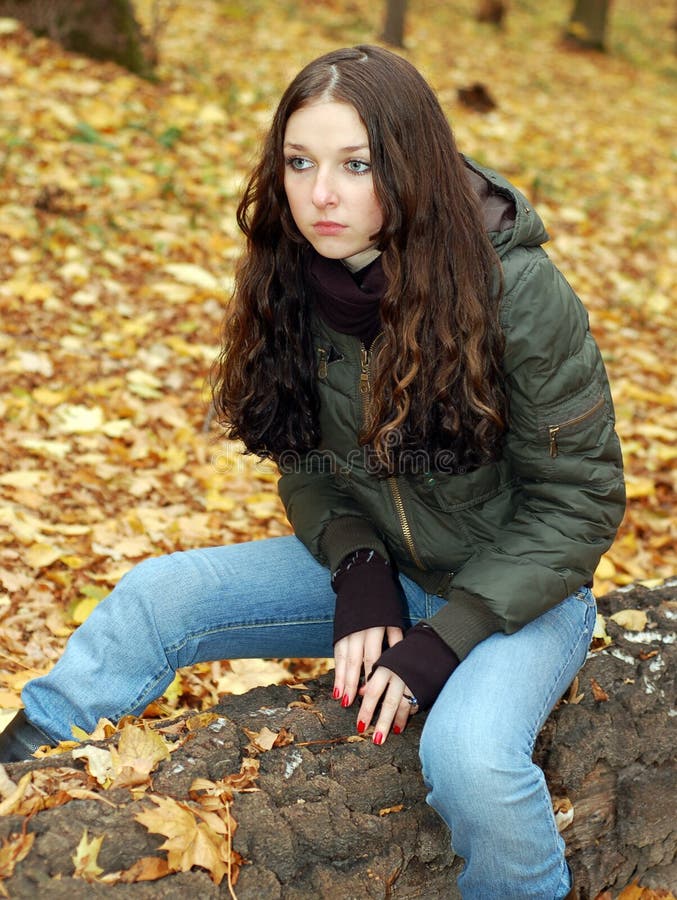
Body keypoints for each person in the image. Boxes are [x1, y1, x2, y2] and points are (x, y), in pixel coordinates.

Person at [0, 45, 624, 898]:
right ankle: (15, 781)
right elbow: (303, 454)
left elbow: (579, 500)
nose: (319, 194)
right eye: (299, 162)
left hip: (525, 595)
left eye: (355, 165)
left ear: (409, 166)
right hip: (386, 568)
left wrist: (445, 639)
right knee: (153, 599)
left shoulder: (516, 291)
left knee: (468, 759)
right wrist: (358, 565)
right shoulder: (291, 274)